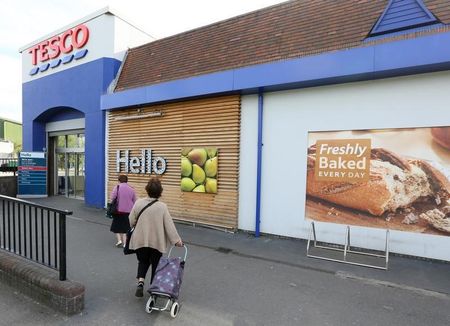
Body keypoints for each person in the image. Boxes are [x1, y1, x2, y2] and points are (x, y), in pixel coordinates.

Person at [128, 177, 183, 297]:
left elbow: (131, 220)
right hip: (156, 242)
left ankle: (140, 282)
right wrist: (177, 241)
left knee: (142, 261)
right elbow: (169, 225)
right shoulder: (162, 207)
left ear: (147, 189)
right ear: (160, 192)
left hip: (140, 240)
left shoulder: (138, 203)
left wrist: (136, 224)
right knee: (156, 265)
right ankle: (154, 290)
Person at [110, 174, 137, 247]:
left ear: (119, 180)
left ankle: (119, 240)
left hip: (118, 210)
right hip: (128, 211)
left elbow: (112, 197)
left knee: (116, 226)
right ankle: (125, 243)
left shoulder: (117, 187)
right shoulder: (131, 189)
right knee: (126, 227)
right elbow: (134, 200)